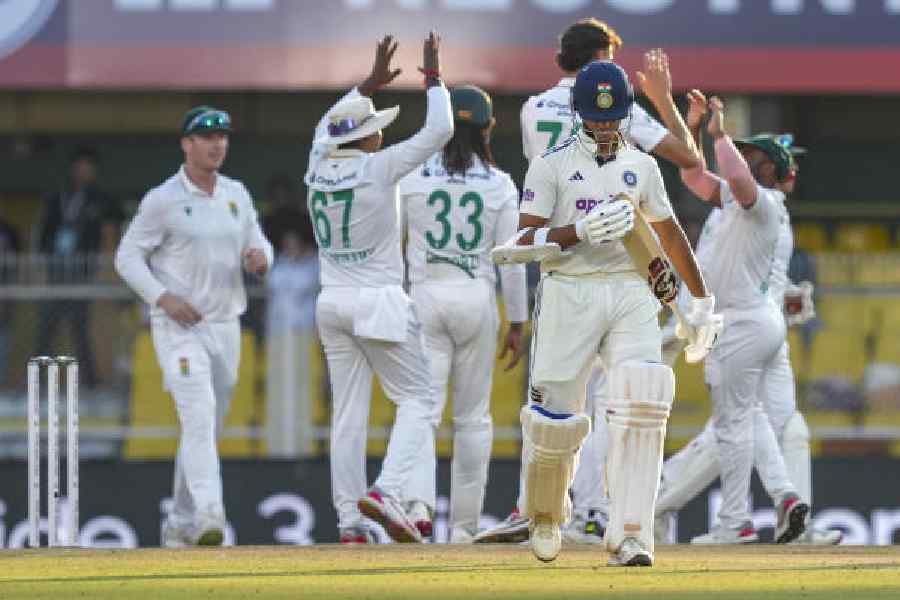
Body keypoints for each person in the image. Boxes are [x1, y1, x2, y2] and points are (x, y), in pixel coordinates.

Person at [478, 18, 703, 547]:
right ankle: (546, 512)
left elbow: (669, 230)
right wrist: (578, 230)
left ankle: (628, 532)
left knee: (642, 401)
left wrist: (699, 298)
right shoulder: (557, 160)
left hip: (628, 285)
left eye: (613, 117)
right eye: (597, 118)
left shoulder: (544, 113)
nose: (606, 126)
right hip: (567, 280)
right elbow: (522, 240)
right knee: (556, 417)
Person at [655, 129, 840, 545]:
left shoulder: (770, 209)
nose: (794, 166)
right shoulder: (733, 207)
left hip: (758, 326)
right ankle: (664, 504)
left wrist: (787, 296)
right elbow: (710, 267)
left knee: (766, 425)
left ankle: (782, 520)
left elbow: (759, 272)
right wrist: (684, 322)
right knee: (740, 424)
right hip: (735, 323)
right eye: (787, 156)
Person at [305, 33, 452, 544]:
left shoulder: (316, 164)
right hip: (379, 300)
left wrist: (365, 87)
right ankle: (387, 490)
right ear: (367, 139)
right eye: (375, 130)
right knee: (419, 399)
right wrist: (433, 77)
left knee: (348, 415)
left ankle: (350, 522)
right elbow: (440, 129)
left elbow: (325, 128)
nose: (381, 136)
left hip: (331, 301)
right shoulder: (379, 166)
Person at [115, 105, 273, 547]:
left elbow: (258, 242)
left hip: (226, 325)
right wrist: (162, 297)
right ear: (186, 144)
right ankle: (208, 514)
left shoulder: (237, 194)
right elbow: (127, 257)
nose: (216, 144)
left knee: (208, 426)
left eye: (222, 136)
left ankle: (180, 522)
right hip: (179, 328)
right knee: (198, 415)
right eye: (206, 137)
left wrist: (262, 259)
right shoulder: (163, 199)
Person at [399, 85, 528, 542]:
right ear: (488, 128)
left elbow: (391, 245)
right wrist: (517, 320)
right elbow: (511, 261)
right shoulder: (500, 183)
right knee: (472, 419)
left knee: (422, 411)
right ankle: (463, 528)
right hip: (476, 297)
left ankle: (417, 510)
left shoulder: (412, 175)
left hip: (424, 296)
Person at [34, 147, 124, 388]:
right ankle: (37, 380)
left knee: (80, 328)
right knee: (46, 327)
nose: (83, 171)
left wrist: (106, 265)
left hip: (83, 273)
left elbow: (113, 229)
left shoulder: (101, 200)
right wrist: (44, 262)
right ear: (73, 168)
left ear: (94, 171)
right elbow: (44, 232)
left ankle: (90, 383)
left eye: (88, 167)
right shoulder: (57, 197)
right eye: (80, 166)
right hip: (56, 272)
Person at [0, 218, 21, 386]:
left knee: (3, 334)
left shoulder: (7, 230)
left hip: (4, 292)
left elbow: (17, 259)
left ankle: (2, 380)